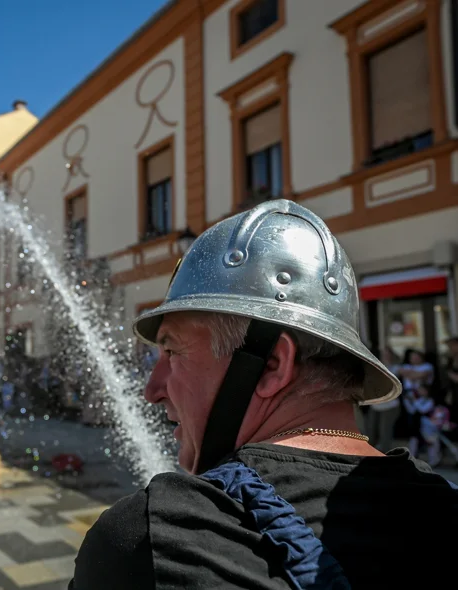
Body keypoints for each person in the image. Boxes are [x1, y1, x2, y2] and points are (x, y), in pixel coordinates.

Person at [69, 199, 458, 589]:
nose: (151, 390)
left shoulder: (149, 540)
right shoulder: (445, 505)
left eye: (172, 351)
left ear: (272, 364)